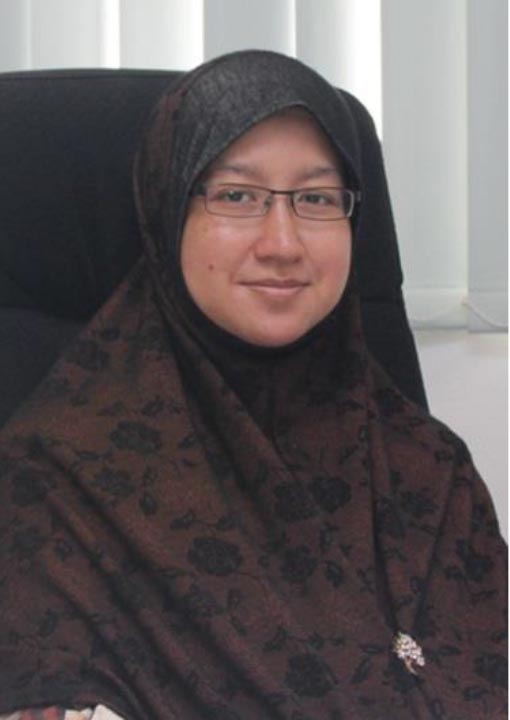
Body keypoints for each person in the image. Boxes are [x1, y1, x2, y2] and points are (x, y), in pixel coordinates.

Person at [0, 50, 506, 720]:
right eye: (237, 196)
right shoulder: (54, 482)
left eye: (316, 198)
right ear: (169, 211)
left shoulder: (430, 469)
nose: (283, 242)